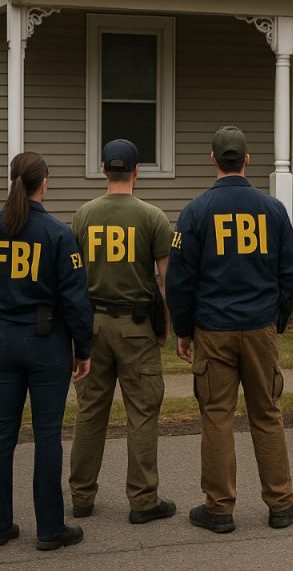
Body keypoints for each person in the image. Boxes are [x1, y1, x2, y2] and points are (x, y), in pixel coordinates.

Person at [166, 126, 293, 534]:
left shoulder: (195, 212)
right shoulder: (273, 209)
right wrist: (278, 317)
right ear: (246, 159)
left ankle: (220, 508)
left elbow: (179, 280)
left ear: (213, 159)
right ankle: (281, 504)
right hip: (259, 326)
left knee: (217, 417)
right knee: (267, 414)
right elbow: (290, 270)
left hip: (214, 328)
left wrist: (184, 330)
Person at [0, 152, 92, 551]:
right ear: (44, 183)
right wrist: (83, 346)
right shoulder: (57, 232)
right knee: (47, 435)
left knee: (2, 432)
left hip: (2, 339)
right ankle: (50, 529)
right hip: (46, 342)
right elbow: (75, 299)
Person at [68, 139, 176, 525]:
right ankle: (143, 500)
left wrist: (76, 333)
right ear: (136, 172)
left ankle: (81, 495)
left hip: (93, 324)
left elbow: (73, 279)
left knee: (90, 411)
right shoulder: (153, 217)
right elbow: (166, 282)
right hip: (135, 326)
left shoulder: (82, 215)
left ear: (103, 171)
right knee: (143, 411)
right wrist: (166, 328)